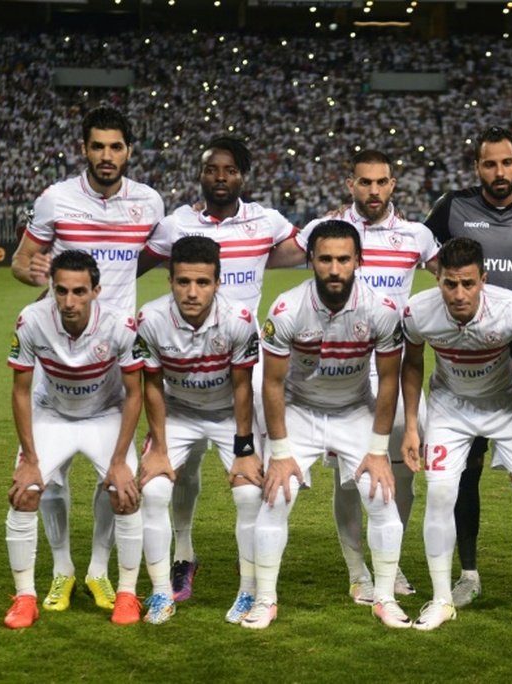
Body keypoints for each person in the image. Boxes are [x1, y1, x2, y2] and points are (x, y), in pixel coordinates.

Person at [9, 106, 165, 615]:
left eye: (115, 147)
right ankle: (61, 571)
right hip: (59, 348)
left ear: (128, 151)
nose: (106, 155)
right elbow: (20, 262)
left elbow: (156, 259)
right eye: (97, 146)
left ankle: (99, 570)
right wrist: (40, 280)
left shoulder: (149, 203)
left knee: (113, 476)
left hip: (116, 355)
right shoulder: (56, 199)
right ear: (84, 149)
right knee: (46, 477)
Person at [140, 136, 297, 602]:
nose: (220, 177)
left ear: (242, 176)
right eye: (212, 169)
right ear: (201, 175)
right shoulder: (176, 224)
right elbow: (132, 266)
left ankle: (253, 573)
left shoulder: (267, 222)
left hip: (244, 369)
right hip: (185, 372)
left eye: (229, 170)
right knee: (180, 475)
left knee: (254, 483)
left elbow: (309, 252)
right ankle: (183, 556)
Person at [279, 149, 439, 605]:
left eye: (381, 182)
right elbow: (269, 256)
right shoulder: (324, 230)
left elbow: (454, 276)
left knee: (403, 474)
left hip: (392, 366)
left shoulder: (417, 235)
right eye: (364, 182)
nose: (373, 190)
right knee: (347, 478)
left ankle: (391, 561)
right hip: (336, 371)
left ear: (393, 184)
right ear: (350, 184)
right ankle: (357, 571)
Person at [424, 125, 512, 607]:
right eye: (490, 164)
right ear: (477, 168)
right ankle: (468, 573)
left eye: (507, 163)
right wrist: (457, 291)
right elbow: (427, 252)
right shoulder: (453, 206)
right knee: (463, 476)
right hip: (467, 360)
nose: (499, 172)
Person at [241, 220, 408, 630]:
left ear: (358, 261)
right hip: (300, 411)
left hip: (354, 410)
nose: (335, 269)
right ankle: (265, 600)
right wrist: (279, 454)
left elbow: (389, 381)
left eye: (344, 260)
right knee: (276, 498)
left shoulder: (381, 310)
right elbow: (273, 384)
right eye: (326, 259)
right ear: (311, 261)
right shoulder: (286, 310)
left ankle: (384, 598)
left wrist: (378, 448)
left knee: (382, 496)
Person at [401, 237, 512, 632]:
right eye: (450, 283)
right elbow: (413, 366)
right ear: (437, 279)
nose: (458, 293)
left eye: (468, 283)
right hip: (451, 409)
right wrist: (413, 427)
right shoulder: (418, 312)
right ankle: (441, 601)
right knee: (439, 494)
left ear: (483, 278)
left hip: (505, 407)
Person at [3, 251, 145, 629]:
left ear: (96, 291)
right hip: (52, 412)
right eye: (61, 290)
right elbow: (20, 391)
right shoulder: (31, 320)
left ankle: (120, 587)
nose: (68, 301)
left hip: (105, 414)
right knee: (25, 492)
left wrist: (118, 463)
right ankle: (30, 594)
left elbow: (135, 393)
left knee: (126, 494)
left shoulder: (119, 325)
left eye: (79, 291)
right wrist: (29, 459)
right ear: (52, 288)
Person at [134, 236, 262, 625]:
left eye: (203, 283)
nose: (192, 292)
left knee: (249, 495)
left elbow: (243, 385)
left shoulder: (239, 319)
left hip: (229, 413)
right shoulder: (150, 319)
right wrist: (157, 445)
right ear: (169, 280)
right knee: (154, 490)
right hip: (179, 412)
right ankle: (160, 593)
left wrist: (244, 448)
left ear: (218, 282)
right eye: (183, 282)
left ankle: (249, 591)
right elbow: (151, 385)